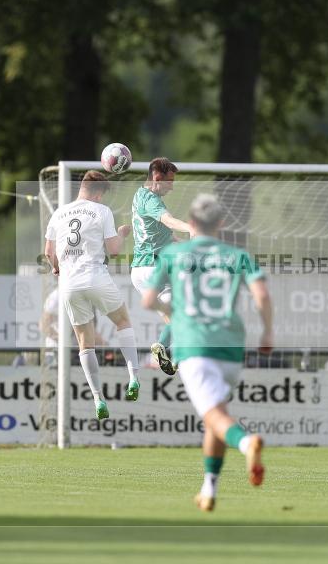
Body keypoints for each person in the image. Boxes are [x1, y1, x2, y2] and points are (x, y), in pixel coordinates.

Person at [142, 194, 272, 512]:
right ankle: (209, 488)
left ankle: (246, 443)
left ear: (191, 223)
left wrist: (167, 306)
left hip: (195, 346)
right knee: (216, 416)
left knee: (214, 416)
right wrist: (268, 332)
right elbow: (262, 296)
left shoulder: (173, 253)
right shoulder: (237, 255)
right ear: (221, 224)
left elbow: (148, 301)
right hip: (231, 346)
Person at [44, 170, 141, 420]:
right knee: (122, 321)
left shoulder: (59, 213)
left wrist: (56, 266)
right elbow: (114, 250)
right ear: (98, 193)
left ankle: (98, 398)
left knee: (85, 343)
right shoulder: (101, 211)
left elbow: (48, 251)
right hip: (95, 275)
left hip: (69, 284)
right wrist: (122, 233)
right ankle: (133, 377)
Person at [130, 157, 192, 375]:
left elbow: (165, 235)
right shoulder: (153, 201)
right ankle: (162, 348)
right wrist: (190, 228)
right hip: (153, 267)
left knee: (173, 319)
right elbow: (168, 220)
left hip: (139, 271)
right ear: (157, 178)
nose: (172, 186)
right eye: (169, 181)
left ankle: (174, 354)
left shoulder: (140, 195)